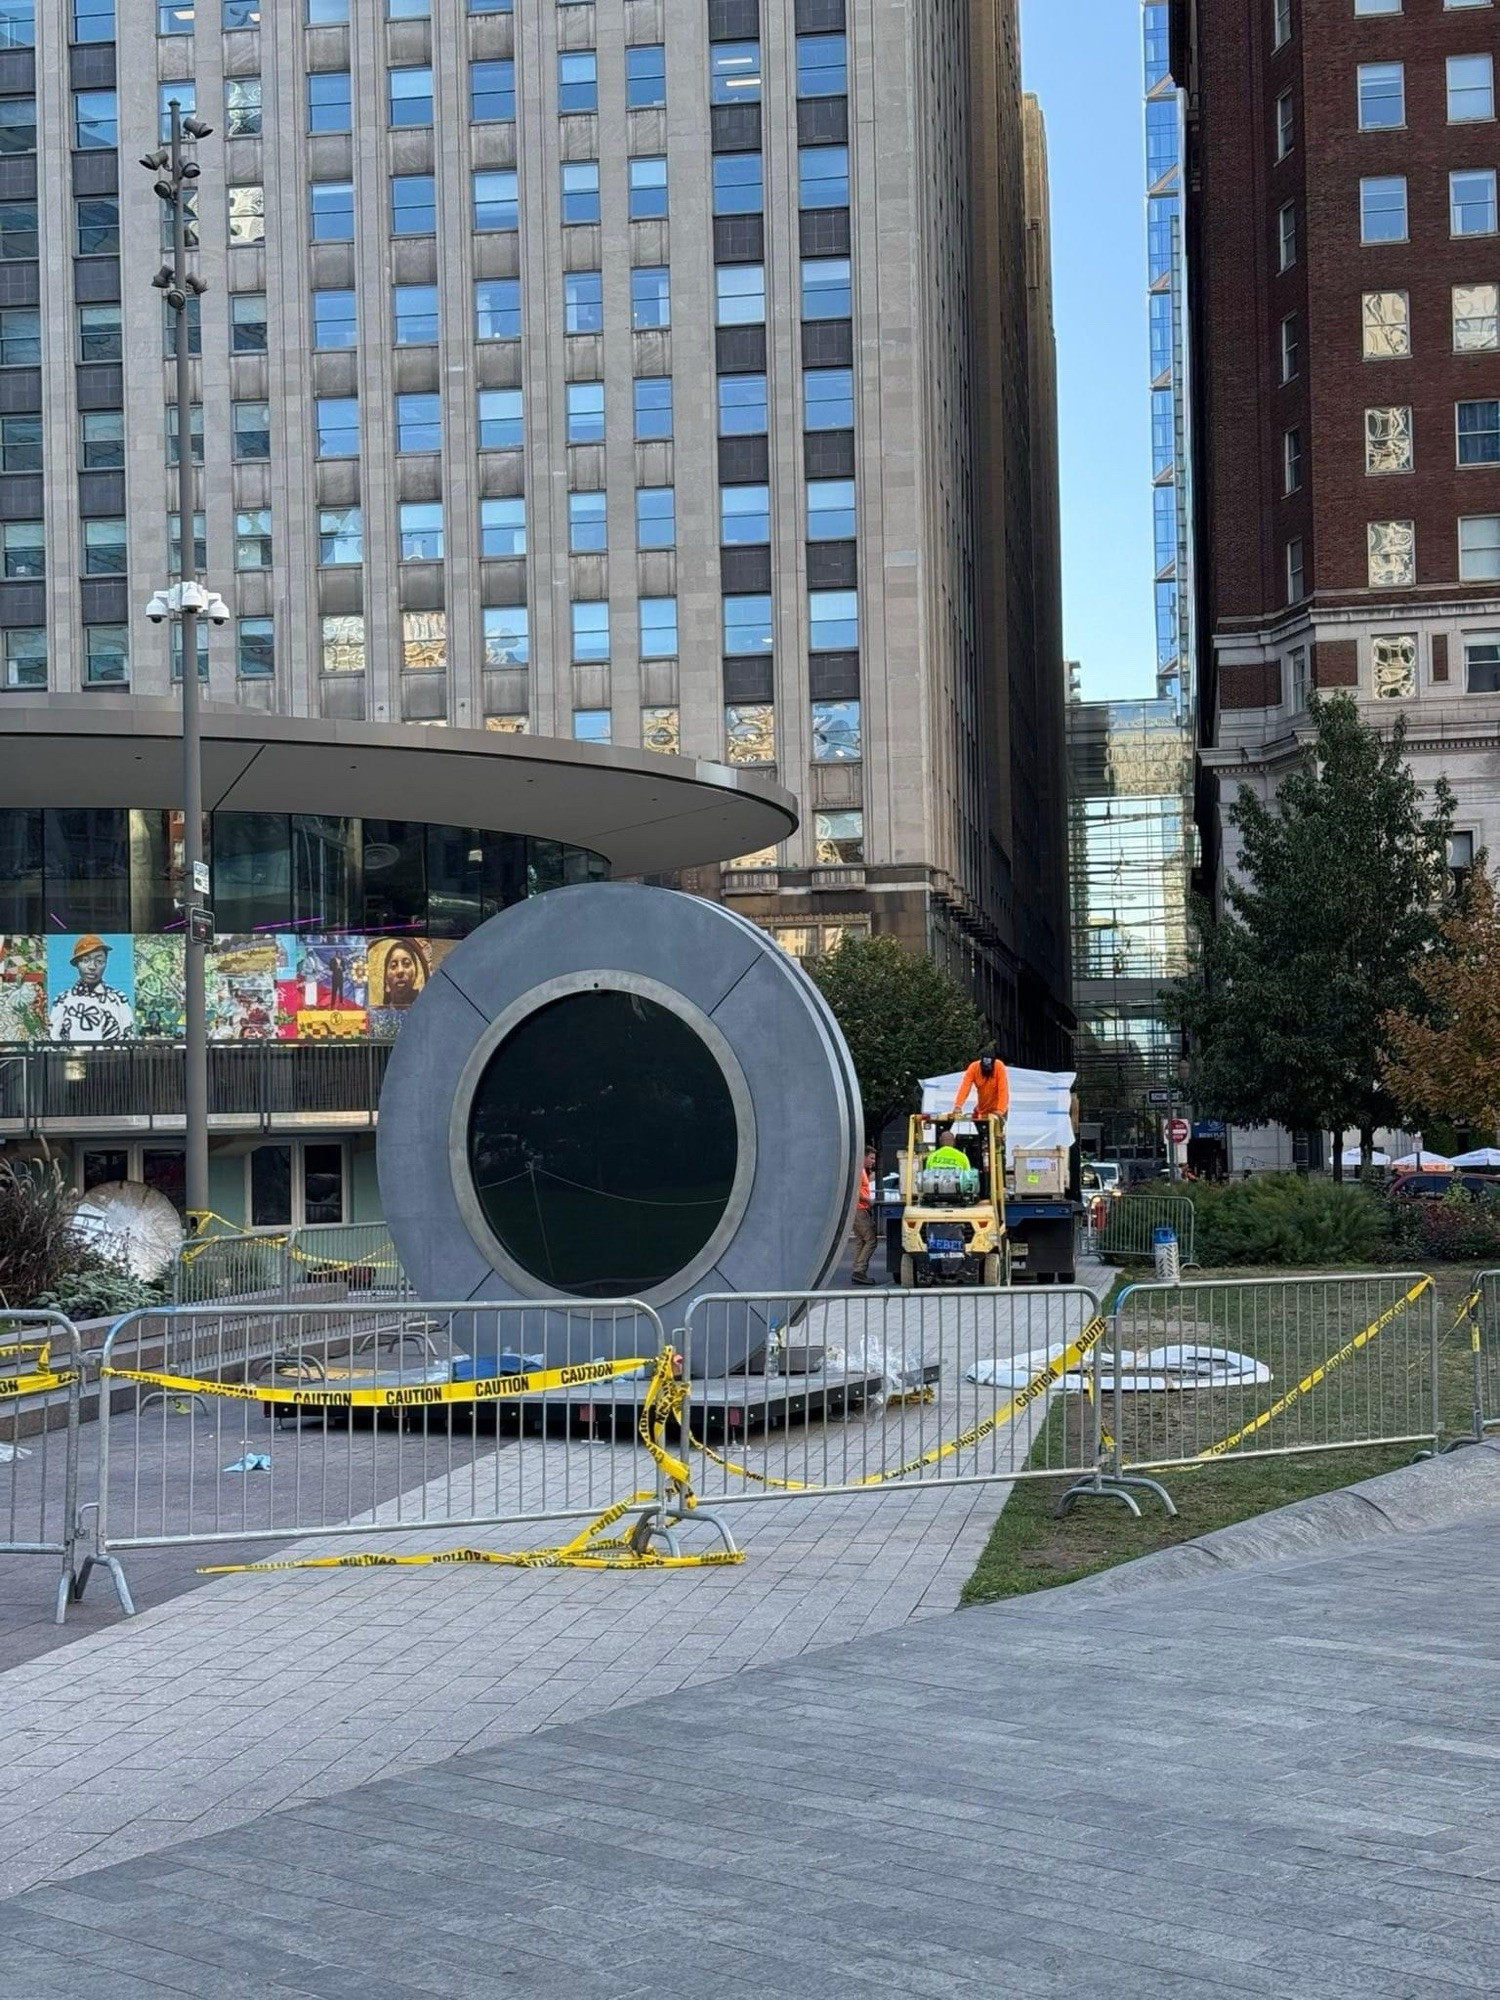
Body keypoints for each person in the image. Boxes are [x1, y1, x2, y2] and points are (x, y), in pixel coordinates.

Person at [49, 935, 134, 1042]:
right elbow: (53, 1039)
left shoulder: (119, 998)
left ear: (105, 963)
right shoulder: (63, 1000)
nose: (92, 967)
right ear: (77, 963)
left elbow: (128, 1037)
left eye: (99, 961)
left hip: (113, 1058)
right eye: (85, 960)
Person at [950, 1051, 1009, 1124]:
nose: (987, 1070)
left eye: (989, 1067)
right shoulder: (974, 1067)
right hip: (982, 1109)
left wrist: (1000, 1110)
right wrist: (958, 1106)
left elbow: (1003, 1090)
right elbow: (964, 1087)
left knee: (995, 1133)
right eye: (984, 1067)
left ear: (993, 1063)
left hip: (998, 1110)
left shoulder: (999, 1066)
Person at [850, 1145, 878, 1284]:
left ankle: (857, 1270)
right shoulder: (859, 1172)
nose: (873, 1161)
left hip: (856, 1209)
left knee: (861, 1240)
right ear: (864, 1157)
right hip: (860, 1209)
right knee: (871, 1240)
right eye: (871, 1158)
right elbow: (856, 1191)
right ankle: (859, 1270)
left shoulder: (860, 1171)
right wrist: (869, 1200)